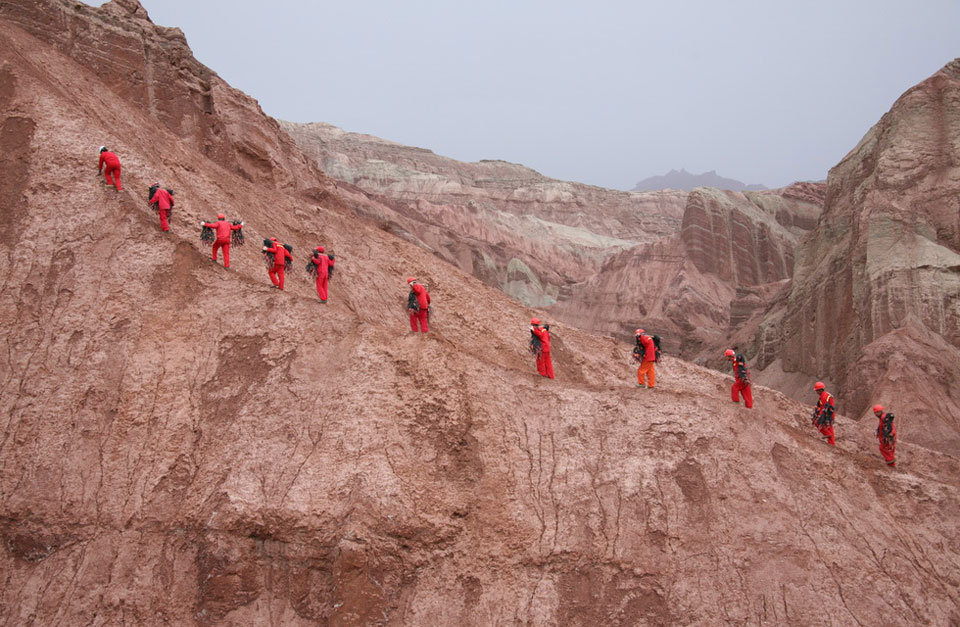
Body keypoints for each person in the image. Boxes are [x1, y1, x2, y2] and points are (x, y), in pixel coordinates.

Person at [812, 381, 836, 446]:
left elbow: (825, 407)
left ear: (819, 390)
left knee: (817, 423)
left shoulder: (825, 396)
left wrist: (820, 415)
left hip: (828, 415)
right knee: (830, 429)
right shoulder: (824, 395)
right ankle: (831, 444)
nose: (816, 392)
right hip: (828, 414)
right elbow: (821, 405)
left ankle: (829, 437)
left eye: (816, 391)